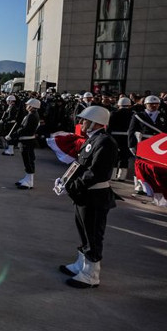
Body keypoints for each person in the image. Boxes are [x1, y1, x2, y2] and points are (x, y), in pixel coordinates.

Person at [57, 106, 118, 289]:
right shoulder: (93, 139)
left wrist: (73, 186)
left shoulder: (105, 142)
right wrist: (65, 181)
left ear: (96, 122)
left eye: (85, 120)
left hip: (95, 196)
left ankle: (91, 274)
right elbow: (79, 165)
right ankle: (81, 264)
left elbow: (95, 173)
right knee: (84, 230)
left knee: (93, 234)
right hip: (85, 194)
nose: (81, 122)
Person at [128, 95, 167, 195]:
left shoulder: (163, 116)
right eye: (151, 104)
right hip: (143, 143)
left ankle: (152, 187)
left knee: (154, 166)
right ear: (145, 104)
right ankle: (139, 186)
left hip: (158, 145)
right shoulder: (139, 116)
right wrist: (131, 145)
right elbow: (131, 131)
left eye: (156, 104)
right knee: (140, 165)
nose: (153, 106)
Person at [12, 98, 41, 189]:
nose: (26, 106)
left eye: (28, 105)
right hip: (28, 140)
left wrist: (15, 134)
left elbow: (25, 129)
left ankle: (29, 182)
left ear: (32, 106)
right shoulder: (32, 114)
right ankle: (27, 178)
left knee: (28, 160)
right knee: (28, 160)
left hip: (27, 141)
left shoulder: (32, 116)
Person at [108, 96, 134, 181]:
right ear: (129, 105)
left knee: (114, 156)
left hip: (115, 137)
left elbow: (109, 127)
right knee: (124, 157)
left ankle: (112, 175)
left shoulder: (113, 113)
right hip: (127, 137)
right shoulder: (133, 114)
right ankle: (122, 176)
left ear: (118, 105)